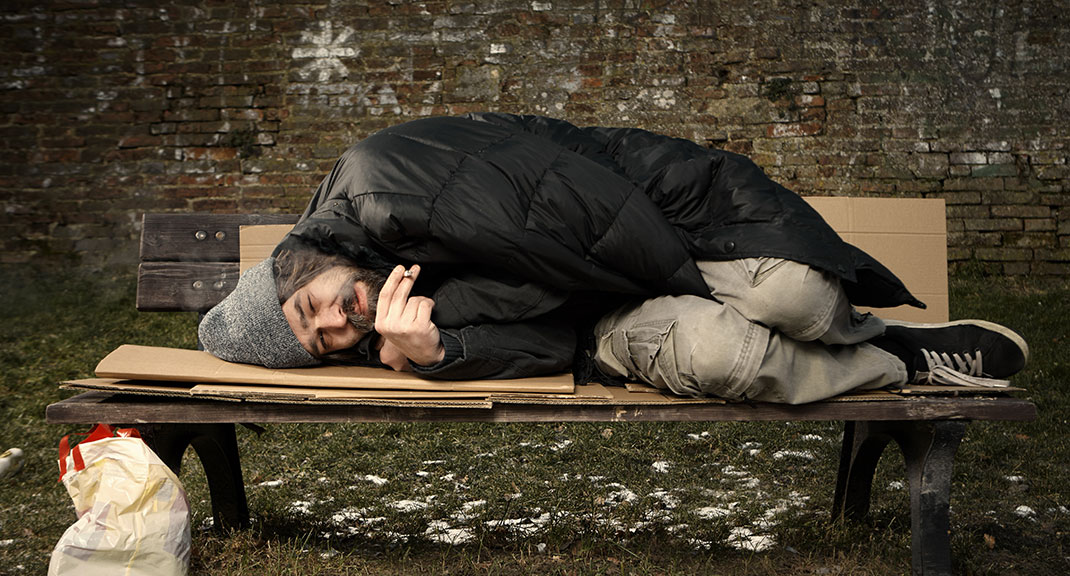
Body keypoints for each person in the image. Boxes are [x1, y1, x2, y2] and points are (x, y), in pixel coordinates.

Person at [198, 113, 1028, 404]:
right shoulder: (398, 326)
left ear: (296, 264)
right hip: (605, 312)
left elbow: (576, 223)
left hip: (668, 223)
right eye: (322, 347)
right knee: (726, 351)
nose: (337, 327)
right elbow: (555, 347)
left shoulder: (382, 183)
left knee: (798, 301)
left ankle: (869, 329)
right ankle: (901, 360)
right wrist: (443, 350)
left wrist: (692, 280)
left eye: (313, 309)